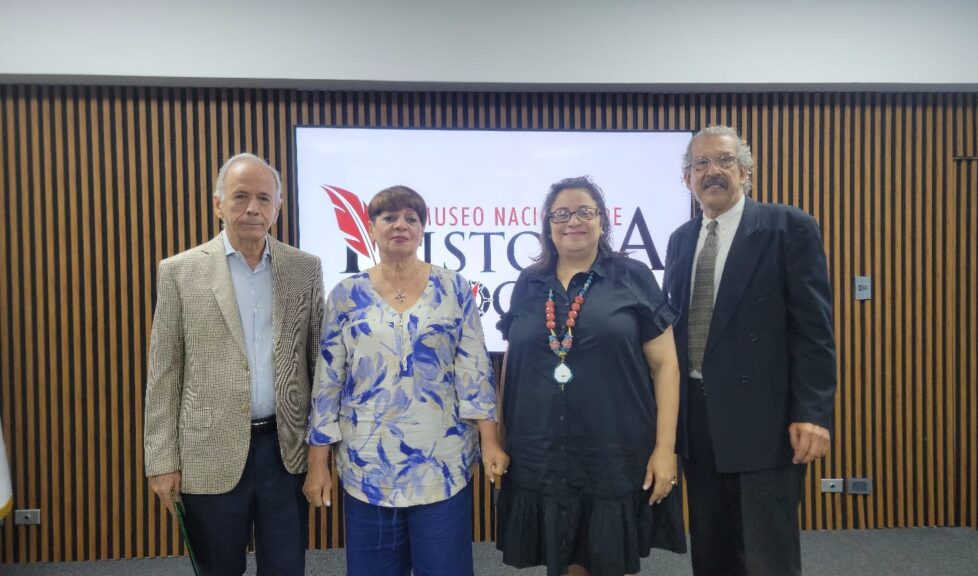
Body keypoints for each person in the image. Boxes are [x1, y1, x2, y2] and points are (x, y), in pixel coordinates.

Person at [303, 185, 508, 576]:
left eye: (411, 219)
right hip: (367, 466)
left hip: (441, 464)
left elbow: (474, 371)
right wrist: (318, 464)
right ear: (372, 227)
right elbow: (327, 382)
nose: (401, 225)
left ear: (422, 229)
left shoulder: (455, 288)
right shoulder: (346, 294)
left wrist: (490, 441)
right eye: (389, 217)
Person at [663, 125, 837, 576]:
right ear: (687, 180)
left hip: (767, 422)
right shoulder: (681, 241)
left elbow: (813, 330)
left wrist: (814, 412)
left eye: (723, 160)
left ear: (746, 172)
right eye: (700, 164)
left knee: (766, 554)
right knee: (712, 548)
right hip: (697, 422)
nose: (712, 171)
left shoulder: (788, 227)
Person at [144, 152, 324, 575]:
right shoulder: (180, 271)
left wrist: (322, 454)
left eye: (264, 198)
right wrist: (161, 461)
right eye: (240, 196)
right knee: (218, 568)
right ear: (218, 203)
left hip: (286, 453)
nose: (252, 209)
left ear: (278, 207)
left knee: (285, 567)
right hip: (209, 452)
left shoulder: (304, 269)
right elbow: (164, 371)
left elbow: (319, 367)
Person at [495, 176, 686, 576]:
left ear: (602, 221)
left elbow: (665, 366)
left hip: (612, 449)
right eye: (561, 213)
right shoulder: (529, 283)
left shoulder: (633, 276)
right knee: (562, 561)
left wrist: (665, 450)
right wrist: (498, 438)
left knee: (604, 559)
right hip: (541, 448)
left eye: (585, 211)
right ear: (548, 224)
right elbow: (512, 363)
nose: (573, 221)